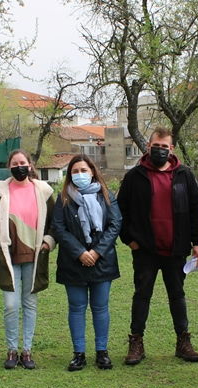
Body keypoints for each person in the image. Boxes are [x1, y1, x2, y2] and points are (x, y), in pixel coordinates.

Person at [117, 126, 198, 365]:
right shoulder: (134, 177)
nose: (159, 151)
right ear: (148, 146)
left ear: (172, 148)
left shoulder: (184, 175)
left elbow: (196, 211)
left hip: (176, 249)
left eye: (164, 147)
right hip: (145, 250)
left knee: (177, 295)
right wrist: (130, 240)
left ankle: (183, 341)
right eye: (155, 147)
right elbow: (120, 212)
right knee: (142, 295)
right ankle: (136, 342)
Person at [52, 154, 122, 371]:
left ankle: (102, 352)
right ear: (69, 175)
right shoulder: (63, 198)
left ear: (92, 171)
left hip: (102, 261)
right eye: (75, 171)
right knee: (76, 308)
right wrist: (80, 252)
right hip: (73, 262)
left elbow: (115, 224)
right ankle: (78, 354)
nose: (80, 175)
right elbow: (58, 228)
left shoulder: (106, 195)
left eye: (84, 170)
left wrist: (97, 252)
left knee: (100, 308)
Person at [0, 149, 56, 370]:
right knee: (10, 305)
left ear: (30, 165)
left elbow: (56, 222)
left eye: (23, 162)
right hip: (8, 255)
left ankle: (26, 351)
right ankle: (11, 350)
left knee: (29, 304)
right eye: (15, 163)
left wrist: (48, 241)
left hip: (35, 255)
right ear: (9, 167)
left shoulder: (44, 191)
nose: (19, 166)